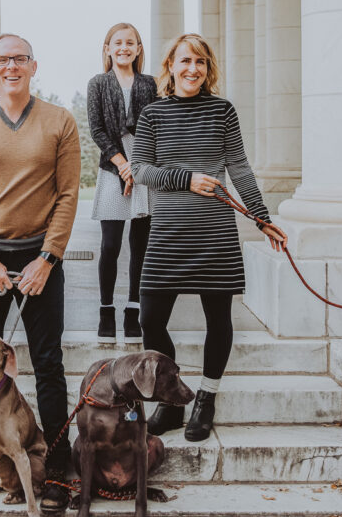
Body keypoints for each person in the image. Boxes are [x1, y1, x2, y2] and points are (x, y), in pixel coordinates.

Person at [0, 33, 81, 514]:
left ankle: (58, 467)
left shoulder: (60, 122)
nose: (10, 67)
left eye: (19, 59)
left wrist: (48, 259)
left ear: (33, 65)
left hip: (39, 260)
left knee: (48, 363)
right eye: (1, 59)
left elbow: (68, 195)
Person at [130, 33, 288, 442]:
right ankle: (169, 399)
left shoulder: (222, 111)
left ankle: (206, 398)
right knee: (151, 320)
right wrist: (186, 178)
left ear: (208, 69)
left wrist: (261, 217)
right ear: (170, 66)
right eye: (185, 61)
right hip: (166, 234)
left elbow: (240, 167)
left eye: (200, 62)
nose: (192, 70)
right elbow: (141, 169)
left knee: (217, 320)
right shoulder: (152, 114)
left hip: (215, 233)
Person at [86, 23, 156, 343]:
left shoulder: (150, 84)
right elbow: (97, 129)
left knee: (140, 247)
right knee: (111, 245)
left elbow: (155, 128)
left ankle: (132, 311)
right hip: (113, 165)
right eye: (118, 42)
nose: (124, 47)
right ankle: (105, 311)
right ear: (108, 48)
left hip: (144, 169)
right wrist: (122, 166)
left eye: (131, 42)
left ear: (139, 49)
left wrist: (137, 168)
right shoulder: (98, 83)